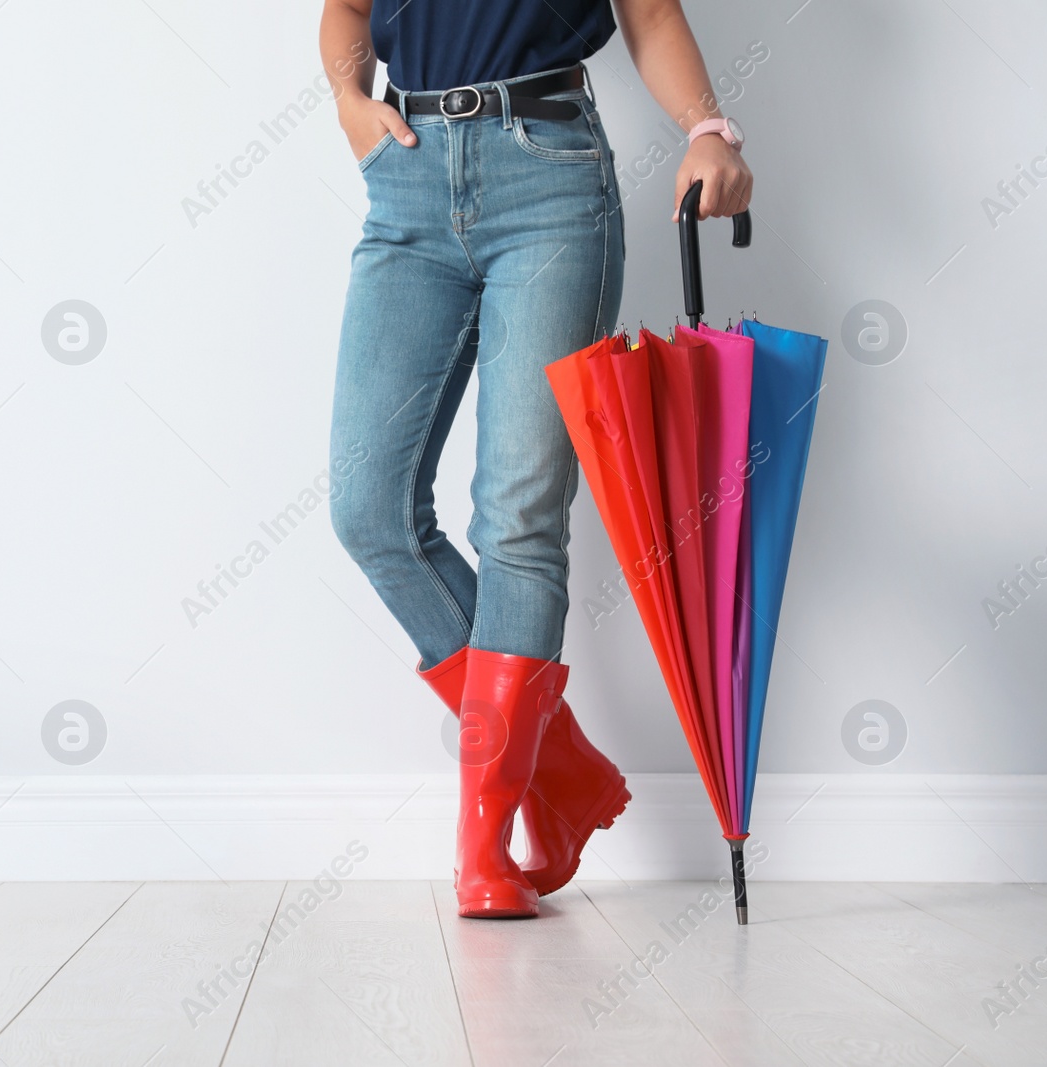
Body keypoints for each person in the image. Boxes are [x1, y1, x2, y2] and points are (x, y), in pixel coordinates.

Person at [320, 0, 752, 919]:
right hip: (406, 174)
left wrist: (707, 128)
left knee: (517, 515)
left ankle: (486, 850)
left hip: (548, 174)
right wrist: (349, 98)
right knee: (369, 509)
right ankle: (559, 769)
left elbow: (649, 10)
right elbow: (348, 7)